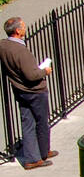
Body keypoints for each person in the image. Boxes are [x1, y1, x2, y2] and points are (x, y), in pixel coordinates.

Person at [0, 17, 56, 169]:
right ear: (18, 31)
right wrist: (45, 71)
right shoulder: (20, 51)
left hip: (20, 90)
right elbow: (31, 75)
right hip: (35, 91)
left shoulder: (3, 46)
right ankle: (43, 153)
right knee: (42, 122)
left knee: (27, 122)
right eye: (23, 26)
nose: (25, 28)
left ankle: (32, 157)